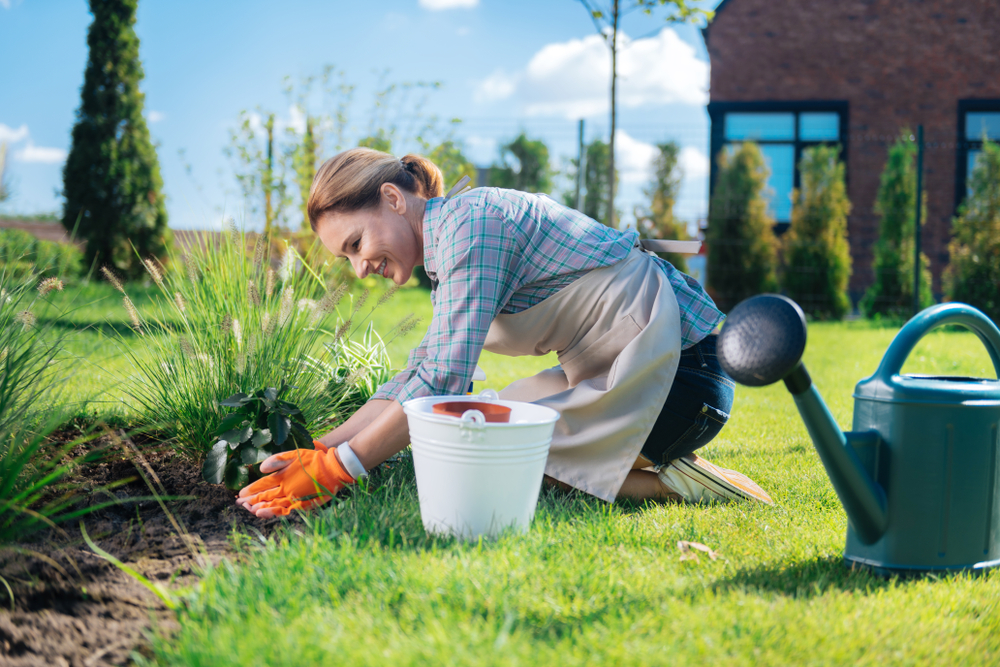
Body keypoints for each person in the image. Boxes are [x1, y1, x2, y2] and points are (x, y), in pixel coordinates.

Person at [237, 148, 771, 518]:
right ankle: (672, 471)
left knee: (497, 453)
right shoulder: (448, 251)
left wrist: (338, 470)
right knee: (480, 437)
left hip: (685, 377)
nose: (359, 268)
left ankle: (676, 488)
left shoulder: (472, 227)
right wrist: (321, 448)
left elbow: (442, 382)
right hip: (645, 374)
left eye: (356, 244)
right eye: (345, 257)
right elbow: (419, 373)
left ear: (393, 199)